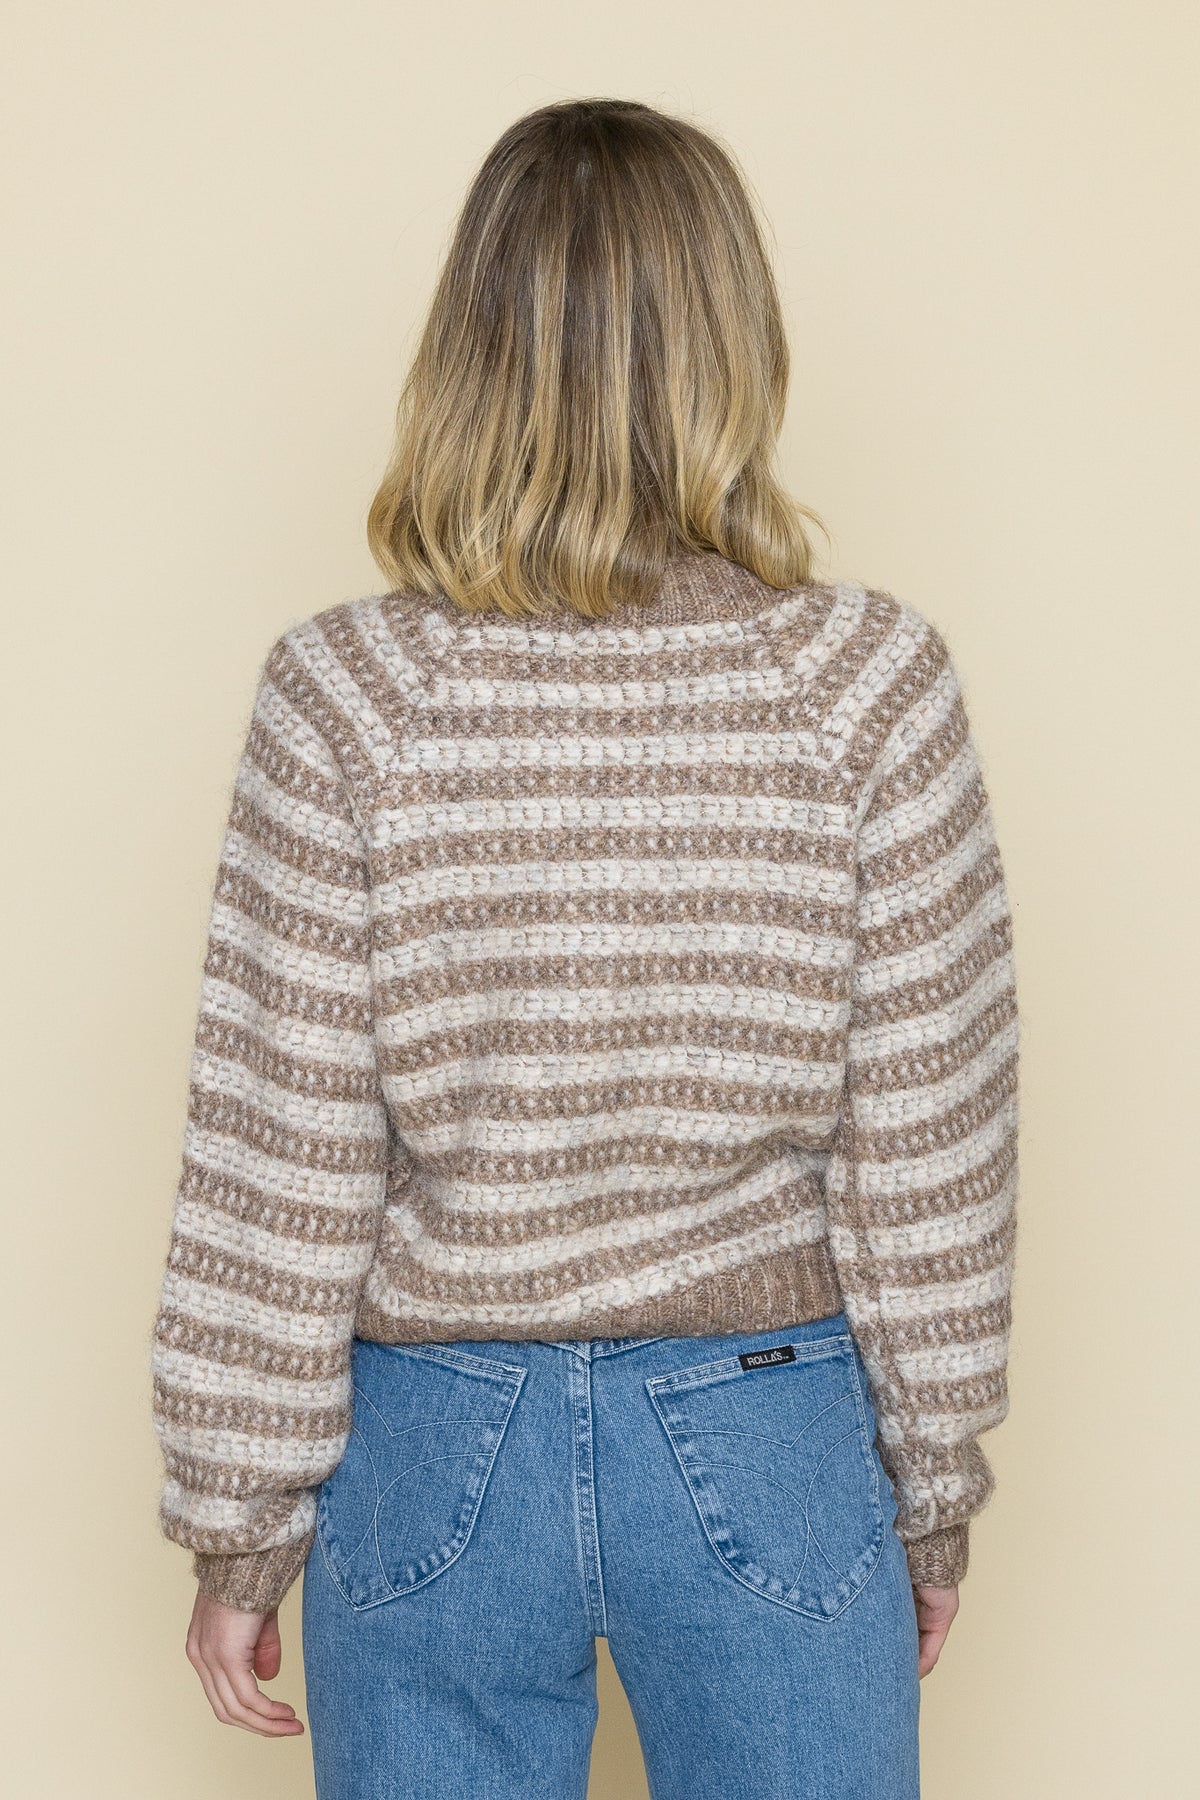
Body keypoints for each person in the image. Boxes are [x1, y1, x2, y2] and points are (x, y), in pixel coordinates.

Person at [149, 96, 1019, 1800]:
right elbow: (929, 1144)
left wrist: (237, 1525)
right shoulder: (867, 684)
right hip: (767, 1427)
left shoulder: (347, 693)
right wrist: (933, 1487)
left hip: (431, 1442)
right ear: (735, 345)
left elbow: (279, 1153)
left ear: (465, 349)